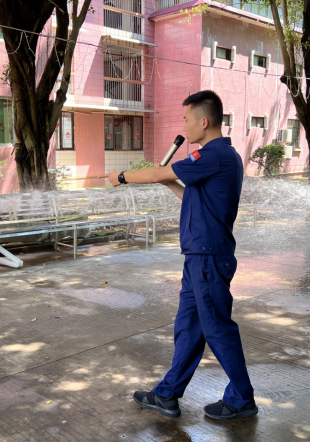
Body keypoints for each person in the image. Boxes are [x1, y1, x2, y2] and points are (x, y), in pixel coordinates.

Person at [100, 91, 257, 420]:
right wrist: (168, 181)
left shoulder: (214, 155)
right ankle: (167, 394)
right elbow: (192, 198)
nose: (184, 126)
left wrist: (124, 176)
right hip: (198, 257)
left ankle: (242, 399)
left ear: (204, 121)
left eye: (187, 119)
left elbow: (156, 173)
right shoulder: (216, 158)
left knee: (217, 328)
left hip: (208, 256)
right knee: (189, 326)